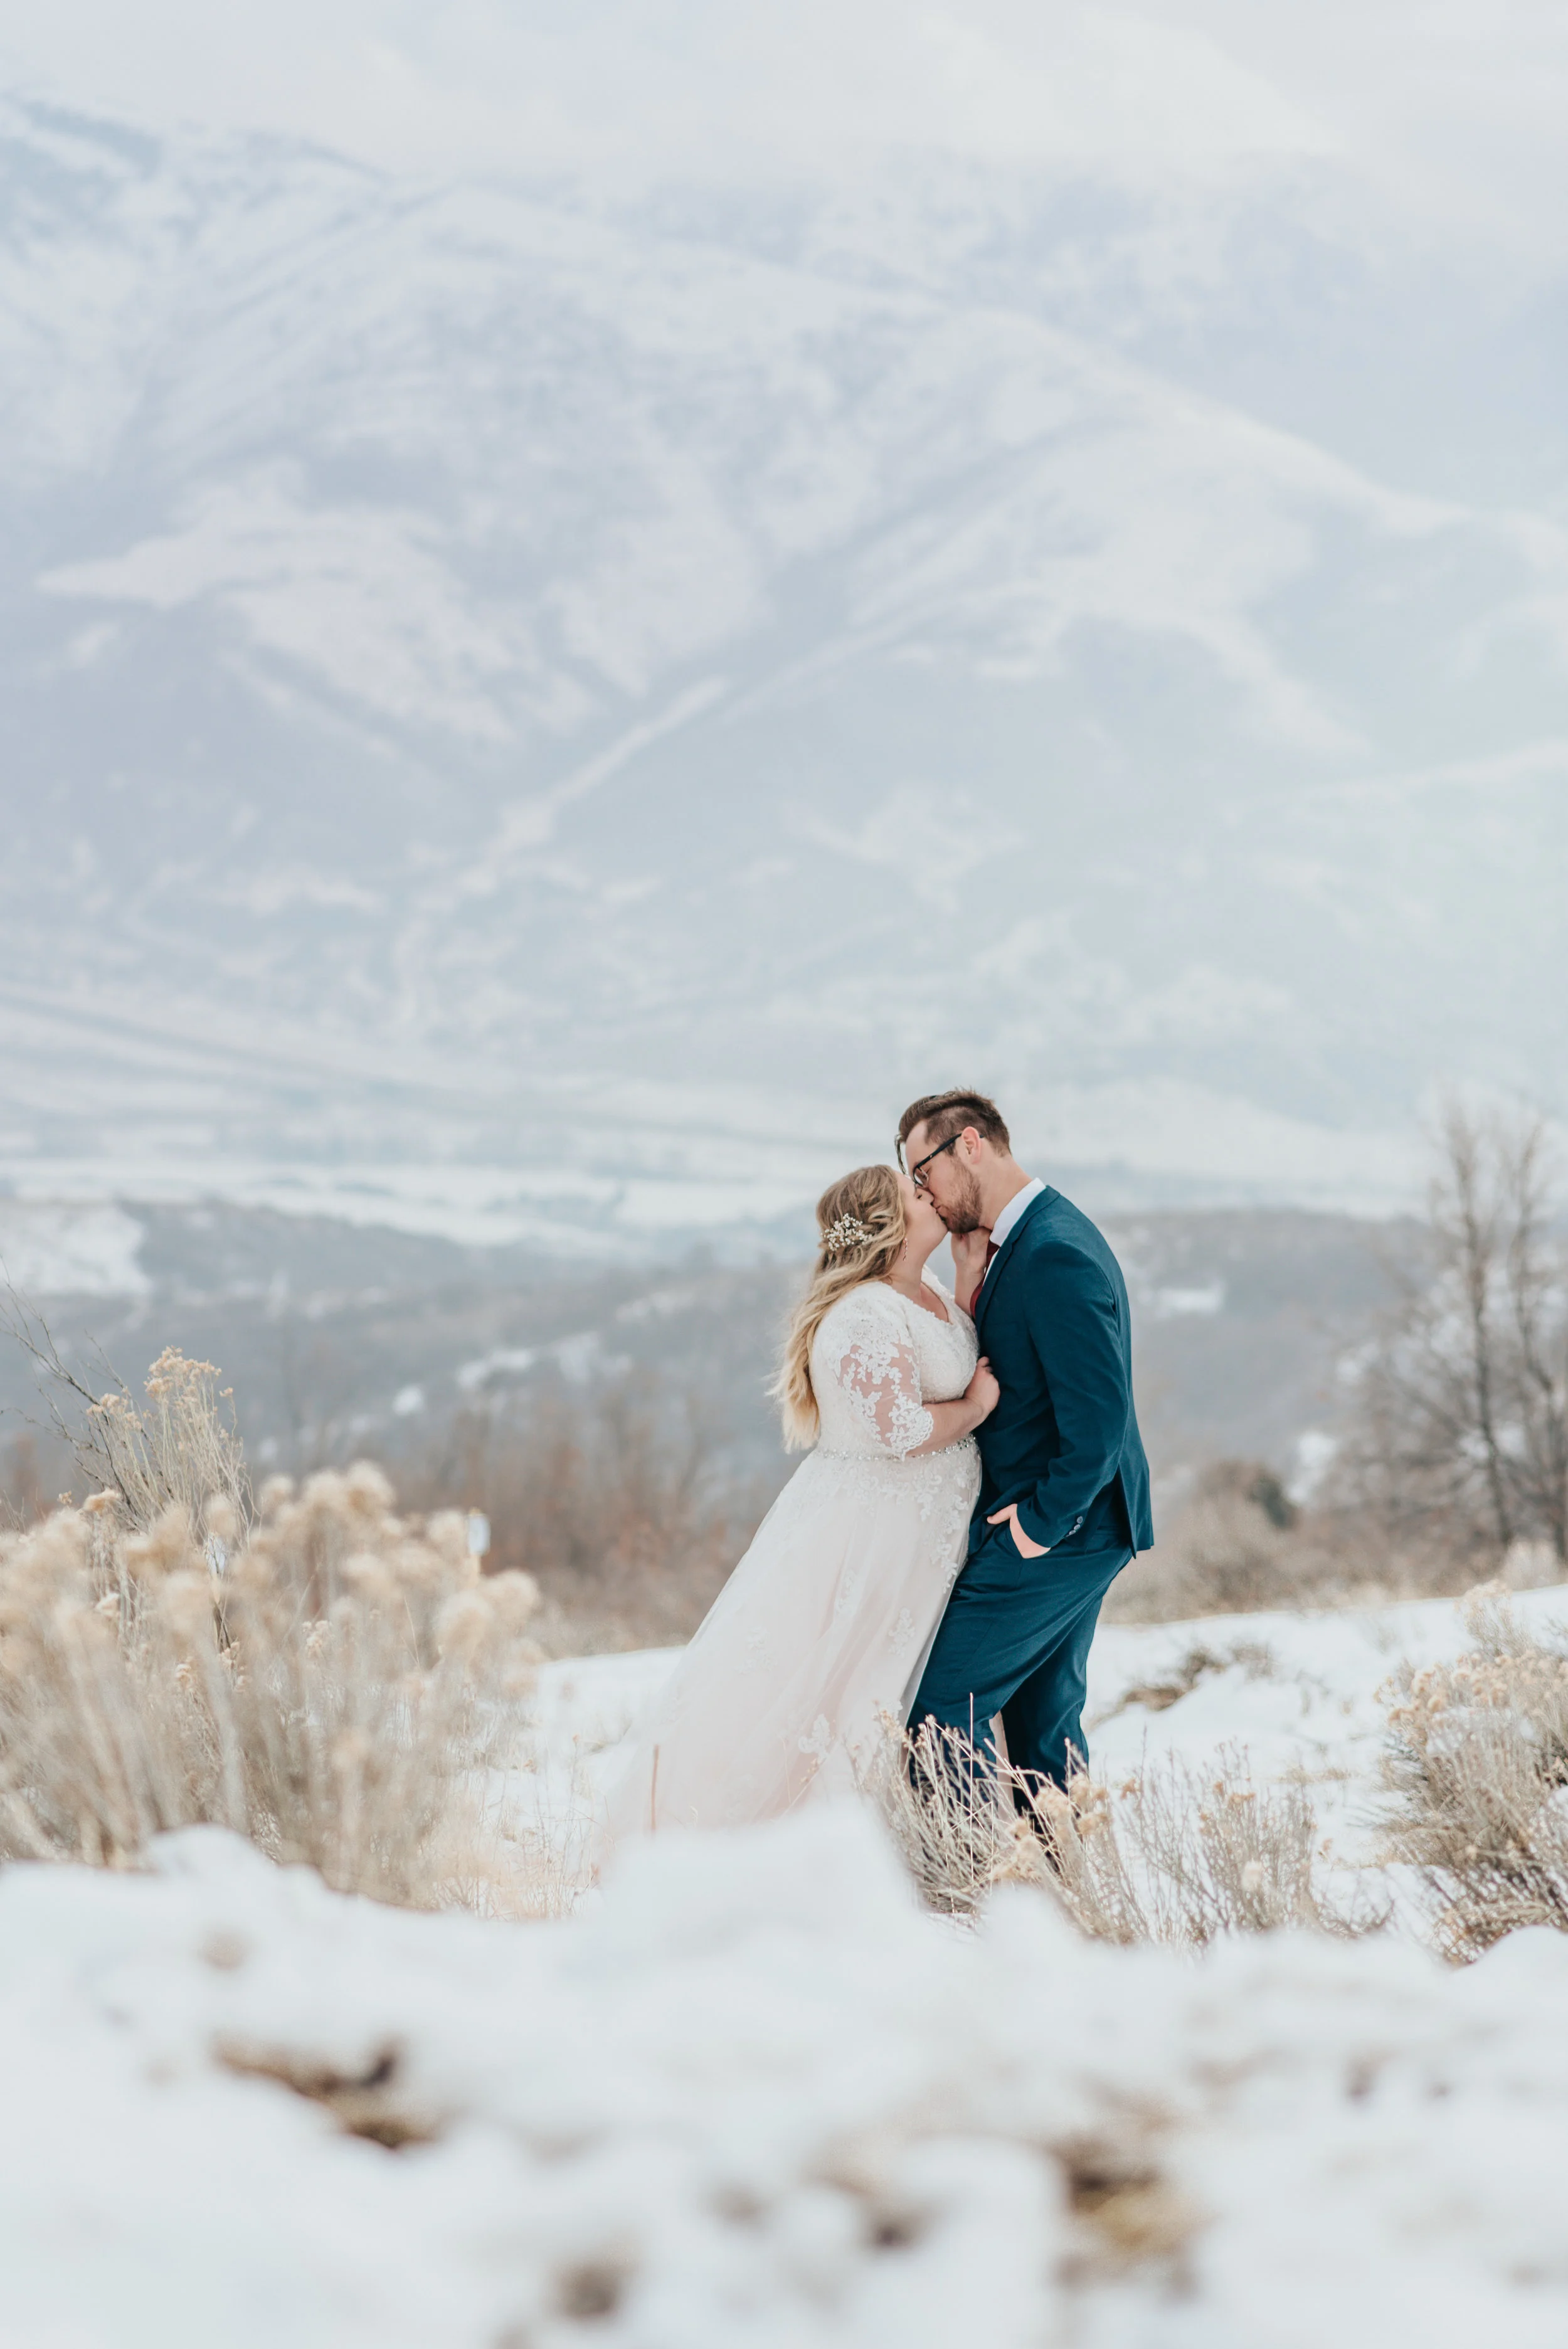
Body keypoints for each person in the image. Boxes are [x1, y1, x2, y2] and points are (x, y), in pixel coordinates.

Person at [598, 1161, 999, 1841]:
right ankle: (793, 1844)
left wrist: (965, 1281)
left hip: (927, 1531)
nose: (929, 1193)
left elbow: (942, 1355)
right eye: (914, 1191)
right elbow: (900, 1429)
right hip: (875, 1532)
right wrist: (977, 1408)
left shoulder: (924, 1288)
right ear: (890, 1222)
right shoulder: (864, 1311)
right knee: (842, 1685)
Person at [896, 1088, 1152, 1794]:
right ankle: (1060, 1863)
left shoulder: (1053, 1252)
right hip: (1070, 1522)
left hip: (1064, 1526)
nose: (923, 1192)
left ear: (969, 1144)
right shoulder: (1020, 1241)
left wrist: (1038, 1526)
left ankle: (970, 1865)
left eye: (924, 1172)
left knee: (940, 1710)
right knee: (1042, 1728)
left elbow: (1099, 1421)